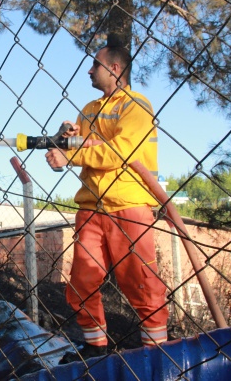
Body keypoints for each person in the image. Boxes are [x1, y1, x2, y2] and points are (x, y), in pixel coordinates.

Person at [45, 43, 169, 363]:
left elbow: (118, 152)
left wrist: (70, 154)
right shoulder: (87, 109)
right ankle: (95, 346)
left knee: (141, 284)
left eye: (95, 65)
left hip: (128, 205)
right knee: (81, 282)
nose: (89, 70)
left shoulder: (136, 106)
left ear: (114, 69)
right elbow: (76, 147)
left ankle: (155, 354)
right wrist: (61, 145)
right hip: (91, 209)